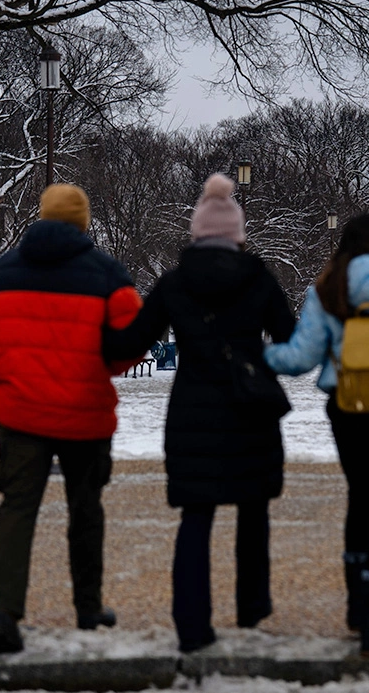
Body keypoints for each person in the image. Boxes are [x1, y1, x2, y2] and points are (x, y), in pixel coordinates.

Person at [105, 173, 295, 653]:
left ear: (196, 232)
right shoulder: (259, 277)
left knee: (196, 517)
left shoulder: (174, 283)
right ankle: (251, 607)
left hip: (192, 412)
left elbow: (130, 342)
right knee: (253, 510)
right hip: (250, 409)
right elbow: (290, 338)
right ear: (238, 234)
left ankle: (192, 624)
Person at [0, 183, 143, 653]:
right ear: (83, 222)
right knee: (86, 511)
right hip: (85, 415)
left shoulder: (1, 273)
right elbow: (129, 347)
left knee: (17, 511)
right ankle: (88, 607)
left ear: (41, 217)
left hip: (20, 415)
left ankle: (4, 613)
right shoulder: (108, 274)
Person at [264, 213, 369, 658]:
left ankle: (356, 606)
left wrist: (260, 354)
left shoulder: (328, 288)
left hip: (348, 406)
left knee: (360, 497)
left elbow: (301, 357)